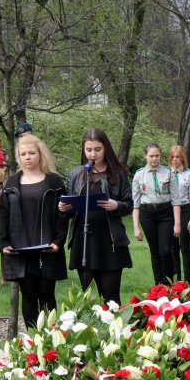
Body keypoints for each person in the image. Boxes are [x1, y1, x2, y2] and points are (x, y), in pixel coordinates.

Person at [0, 134, 68, 329]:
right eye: (23, 154)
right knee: (28, 296)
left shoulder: (54, 182)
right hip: (21, 250)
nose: (27, 157)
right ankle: (32, 342)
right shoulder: (12, 183)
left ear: (40, 154)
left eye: (31, 153)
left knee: (47, 295)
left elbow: (62, 215)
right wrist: (3, 243)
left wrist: (58, 241)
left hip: (47, 249)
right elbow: (3, 215)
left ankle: (52, 341)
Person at [59, 128, 133, 305]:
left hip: (110, 240)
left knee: (110, 295)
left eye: (97, 149)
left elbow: (129, 205)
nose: (93, 154)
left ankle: (115, 331)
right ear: (83, 150)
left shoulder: (118, 173)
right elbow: (69, 209)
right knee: (90, 297)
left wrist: (116, 205)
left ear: (106, 148)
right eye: (89, 150)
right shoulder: (76, 174)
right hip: (84, 240)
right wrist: (64, 208)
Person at [132, 143, 181, 285]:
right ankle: (158, 284)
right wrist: (136, 228)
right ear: (145, 156)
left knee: (165, 250)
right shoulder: (139, 175)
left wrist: (177, 224)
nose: (154, 159)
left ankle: (169, 283)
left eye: (157, 156)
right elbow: (135, 204)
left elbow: (176, 200)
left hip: (165, 213)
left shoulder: (168, 172)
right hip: (147, 213)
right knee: (154, 250)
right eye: (151, 156)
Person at [169, 146, 190, 283]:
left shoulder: (189, 174)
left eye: (178, 157)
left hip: (185, 209)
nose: (175, 159)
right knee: (173, 247)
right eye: (173, 157)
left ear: (182, 158)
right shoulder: (166, 173)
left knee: (184, 246)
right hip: (170, 211)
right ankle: (177, 278)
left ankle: (187, 278)